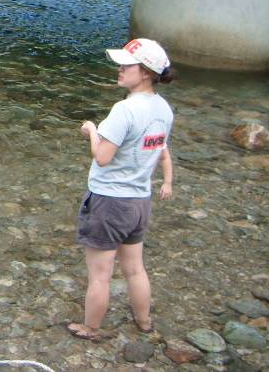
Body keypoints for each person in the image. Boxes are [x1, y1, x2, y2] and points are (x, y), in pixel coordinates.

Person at [67, 38, 176, 343]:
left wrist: (91, 132)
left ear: (144, 72)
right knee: (135, 269)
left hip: (109, 202)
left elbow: (102, 158)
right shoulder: (164, 110)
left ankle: (91, 328)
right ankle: (143, 321)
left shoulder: (124, 109)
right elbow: (155, 151)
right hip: (139, 201)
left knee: (100, 275)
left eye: (126, 65)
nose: (119, 69)